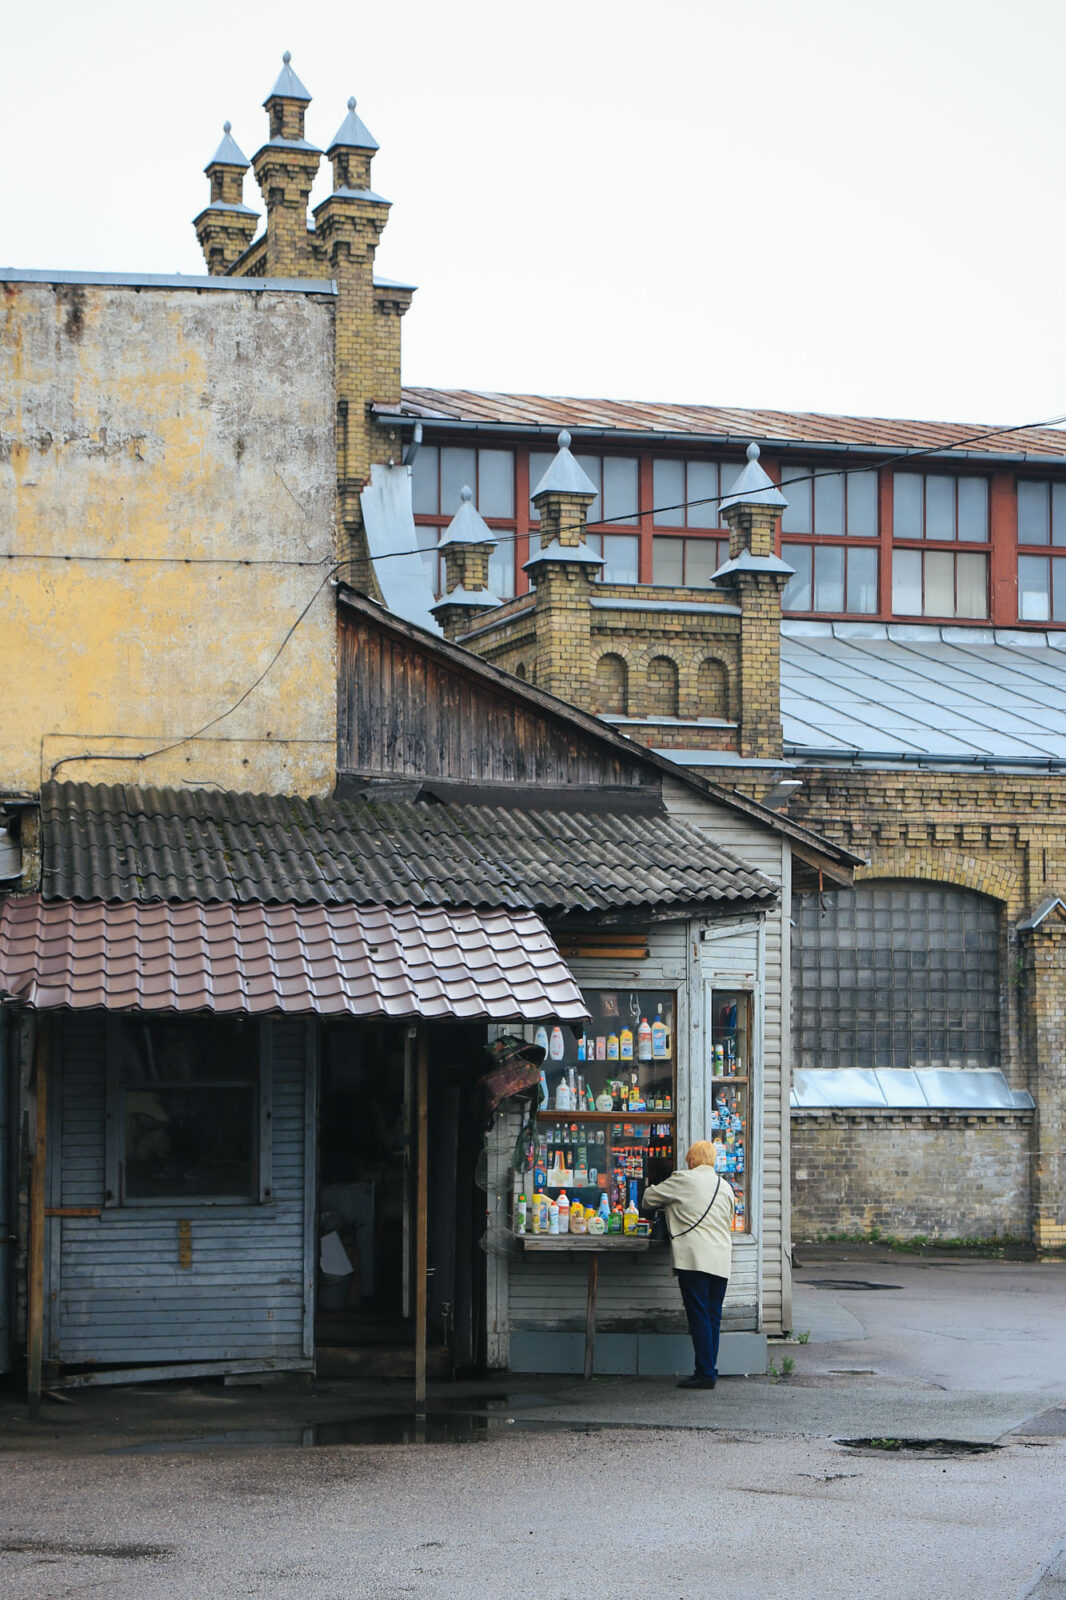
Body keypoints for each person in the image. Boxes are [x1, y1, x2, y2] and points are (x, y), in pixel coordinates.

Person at [643, 1141, 734, 1390]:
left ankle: (704, 1374)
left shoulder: (683, 1179)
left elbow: (648, 1198)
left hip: (695, 1259)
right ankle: (709, 1370)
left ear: (692, 1161)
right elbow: (729, 1219)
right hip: (721, 1259)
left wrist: (669, 1203)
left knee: (698, 1315)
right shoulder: (725, 1187)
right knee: (712, 1316)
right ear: (713, 1161)